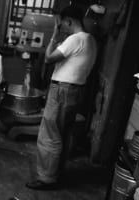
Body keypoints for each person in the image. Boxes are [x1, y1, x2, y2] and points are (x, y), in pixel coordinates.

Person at [26, 5, 97, 190]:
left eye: (61, 23)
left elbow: (49, 58)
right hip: (76, 90)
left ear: (69, 21)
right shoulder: (91, 40)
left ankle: (47, 178)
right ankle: (57, 173)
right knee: (63, 134)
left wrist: (53, 36)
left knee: (49, 134)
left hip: (61, 90)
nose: (61, 27)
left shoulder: (74, 39)